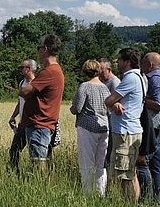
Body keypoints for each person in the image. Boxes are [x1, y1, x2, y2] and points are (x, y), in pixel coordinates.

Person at [18, 34, 65, 174]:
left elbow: (25, 92)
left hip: (39, 125)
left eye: (39, 48)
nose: (38, 52)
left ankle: (40, 185)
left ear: (45, 49)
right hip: (43, 124)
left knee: (38, 164)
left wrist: (23, 89)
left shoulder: (49, 72)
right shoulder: (55, 70)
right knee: (40, 161)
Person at [105, 48, 144, 201]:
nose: (117, 63)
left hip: (125, 131)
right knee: (130, 172)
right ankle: (131, 204)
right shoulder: (139, 77)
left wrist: (113, 102)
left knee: (125, 174)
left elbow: (109, 100)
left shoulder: (130, 78)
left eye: (120, 60)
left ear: (127, 62)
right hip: (131, 129)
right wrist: (115, 103)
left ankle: (129, 205)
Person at [69, 59, 110, 195]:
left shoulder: (84, 86)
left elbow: (77, 108)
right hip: (104, 126)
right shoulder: (105, 87)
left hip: (87, 126)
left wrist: (71, 108)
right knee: (100, 163)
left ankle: (88, 193)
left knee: (86, 162)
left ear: (85, 71)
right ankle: (100, 192)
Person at [136, 51, 160, 201]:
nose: (141, 65)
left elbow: (158, 103)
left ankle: (147, 199)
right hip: (158, 126)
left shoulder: (155, 79)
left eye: (143, 62)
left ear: (149, 64)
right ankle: (154, 200)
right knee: (156, 163)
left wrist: (141, 99)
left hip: (155, 126)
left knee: (143, 161)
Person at [7, 59, 37, 172]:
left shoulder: (36, 84)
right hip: (22, 124)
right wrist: (13, 116)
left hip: (33, 124)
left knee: (34, 152)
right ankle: (15, 173)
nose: (20, 69)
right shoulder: (22, 83)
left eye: (22, 67)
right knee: (14, 149)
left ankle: (33, 174)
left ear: (29, 69)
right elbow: (20, 102)